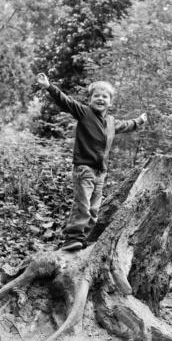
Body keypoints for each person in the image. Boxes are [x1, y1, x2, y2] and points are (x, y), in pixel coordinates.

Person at [35, 73, 147, 251]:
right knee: (83, 205)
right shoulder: (84, 112)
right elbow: (66, 101)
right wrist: (49, 87)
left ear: (110, 102)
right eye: (96, 96)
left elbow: (126, 125)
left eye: (105, 97)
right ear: (90, 99)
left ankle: (82, 239)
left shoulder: (110, 121)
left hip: (100, 173)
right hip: (84, 168)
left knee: (94, 210)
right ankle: (72, 238)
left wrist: (139, 121)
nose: (100, 99)